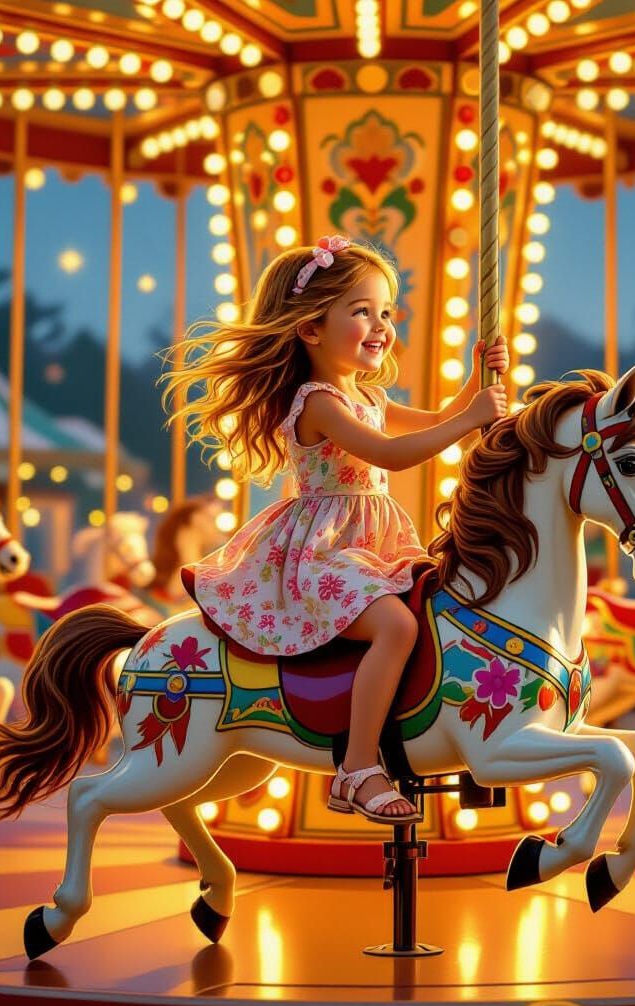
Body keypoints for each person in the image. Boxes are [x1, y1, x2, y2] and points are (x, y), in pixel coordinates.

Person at [162, 235, 507, 824]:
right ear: (310, 329)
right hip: (324, 553)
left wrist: (476, 383)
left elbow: (437, 419)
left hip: (372, 545)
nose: (381, 326)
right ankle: (358, 766)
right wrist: (471, 419)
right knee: (396, 626)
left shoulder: (366, 394)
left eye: (387, 312)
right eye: (362, 311)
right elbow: (391, 454)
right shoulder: (317, 401)